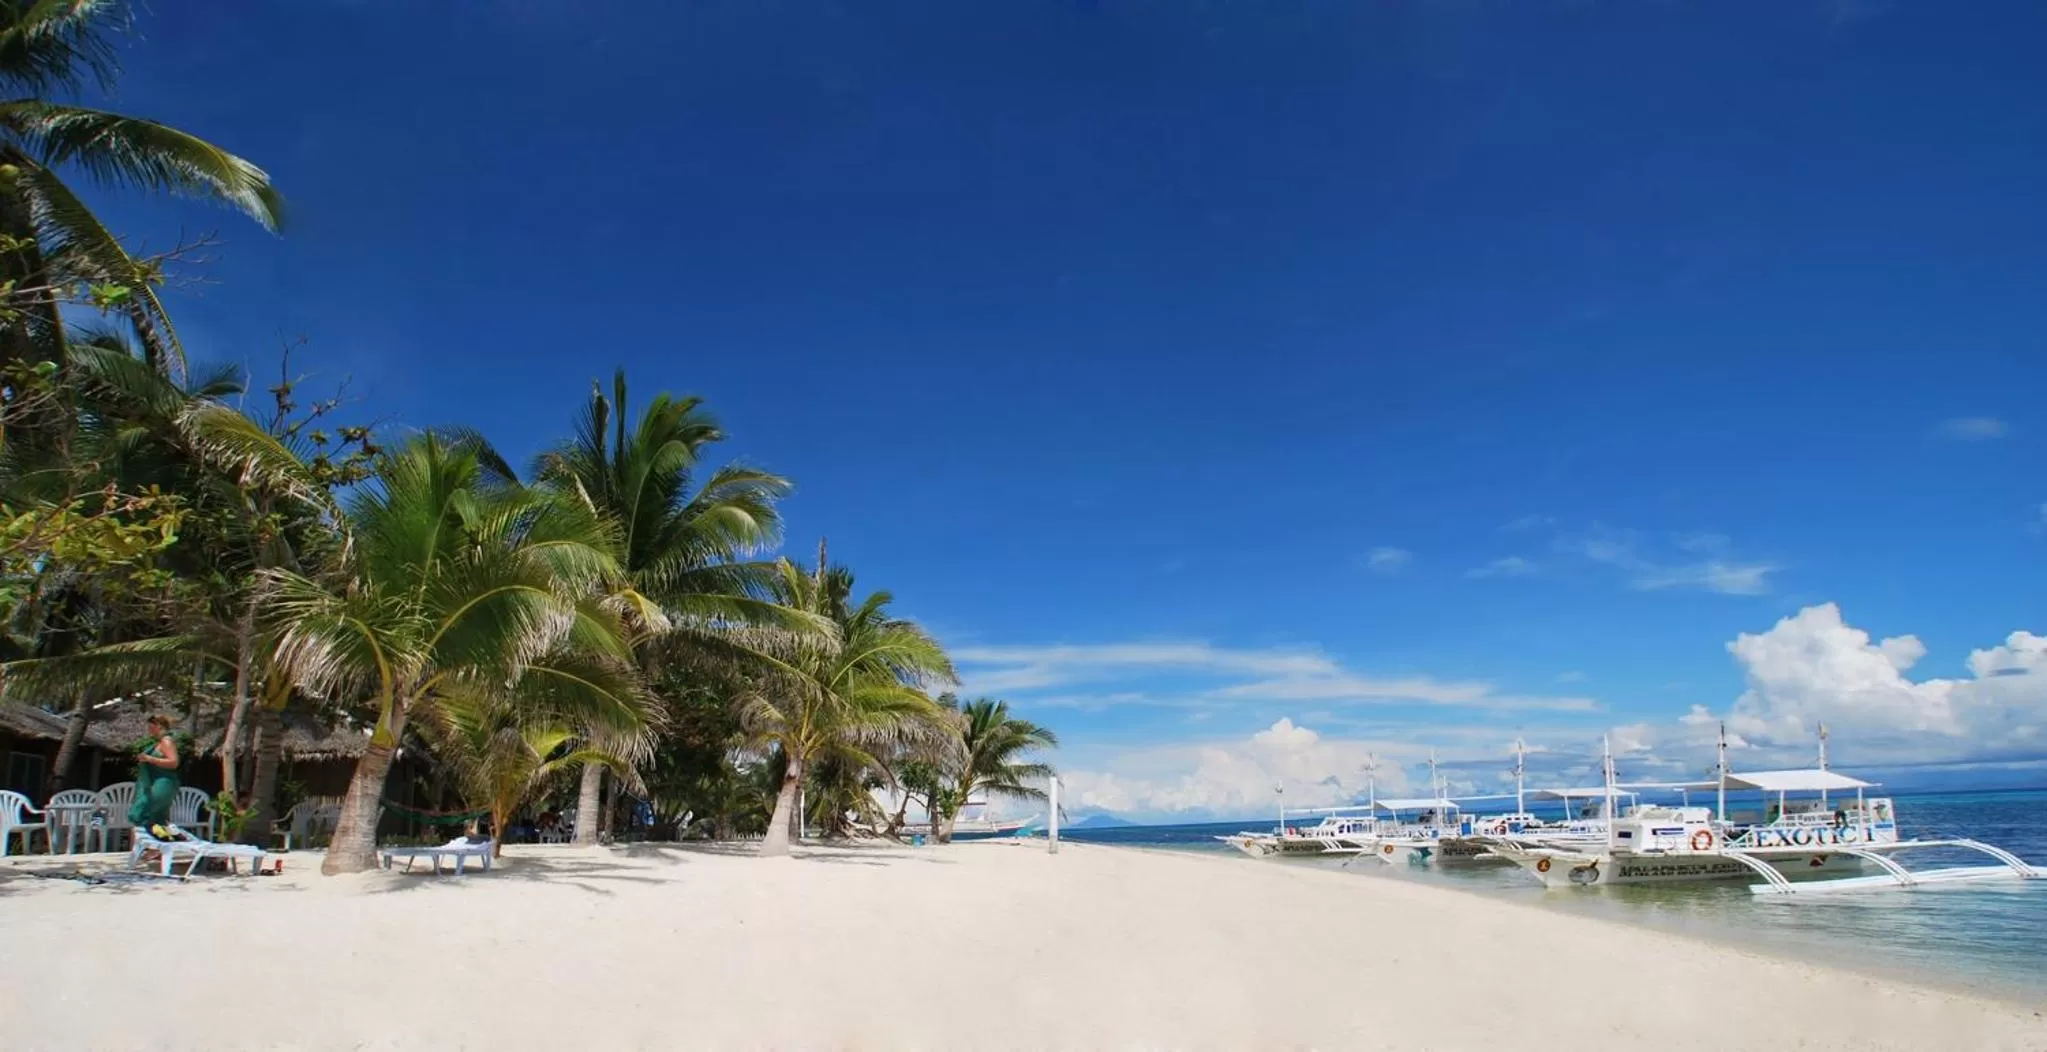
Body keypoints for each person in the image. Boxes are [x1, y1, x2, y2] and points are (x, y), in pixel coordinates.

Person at [129, 714, 181, 838]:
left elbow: (174, 762)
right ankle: (156, 844)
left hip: (163, 783)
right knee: (155, 816)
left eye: (151, 727)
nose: (149, 730)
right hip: (157, 782)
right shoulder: (159, 743)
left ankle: (152, 843)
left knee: (146, 812)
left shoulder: (166, 741)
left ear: (159, 726)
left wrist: (150, 759)